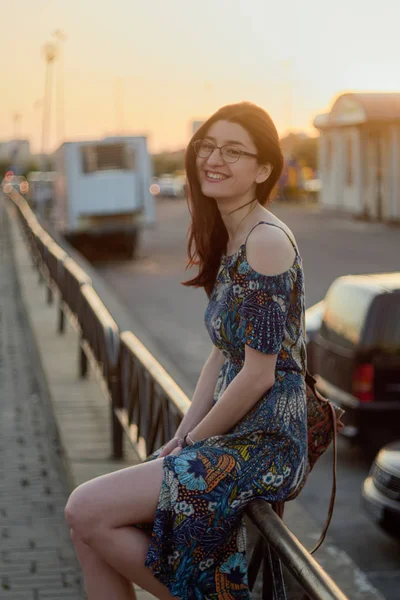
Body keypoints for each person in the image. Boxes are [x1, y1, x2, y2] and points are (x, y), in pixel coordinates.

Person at [65, 101, 308, 600]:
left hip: (262, 444)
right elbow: (221, 354)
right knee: (89, 530)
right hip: (233, 432)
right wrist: (179, 436)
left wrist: (195, 441)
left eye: (233, 151)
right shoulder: (233, 235)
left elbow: (258, 375)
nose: (213, 159)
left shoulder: (265, 241)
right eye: (208, 146)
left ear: (264, 169)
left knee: (85, 508)